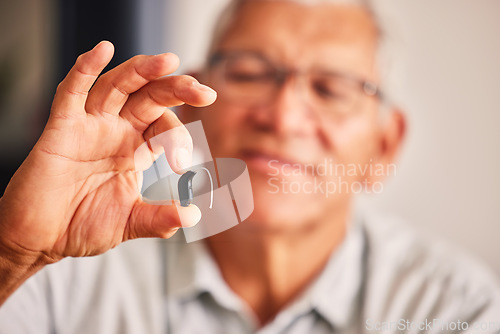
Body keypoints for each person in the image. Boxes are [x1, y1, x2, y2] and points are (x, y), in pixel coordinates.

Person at [0, 0, 499, 333]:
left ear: (384, 147)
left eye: (331, 89)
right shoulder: (60, 268)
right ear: (191, 104)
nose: (282, 116)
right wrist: (12, 253)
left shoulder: (454, 309)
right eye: (249, 73)